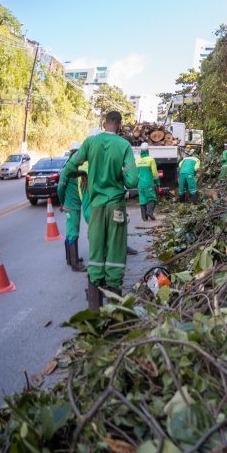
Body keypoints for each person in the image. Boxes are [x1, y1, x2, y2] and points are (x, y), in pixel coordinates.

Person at [61, 111, 138, 311]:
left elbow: (69, 168)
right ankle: (115, 310)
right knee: (115, 251)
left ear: (104, 123)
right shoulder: (124, 146)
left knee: (96, 251)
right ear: (119, 125)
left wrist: (83, 173)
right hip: (115, 207)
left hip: (95, 207)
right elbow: (132, 181)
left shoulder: (89, 143)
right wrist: (118, 177)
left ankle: (94, 309)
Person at [57, 141, 87, 272]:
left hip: (76, 205)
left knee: (73, 232)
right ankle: (74, 264)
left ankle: (70, 259)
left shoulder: (77, 169)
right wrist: (62, 203)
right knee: (73, 233)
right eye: (75, 152)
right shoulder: (67, 169)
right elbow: (60, 189)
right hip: (71, 206)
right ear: (72, 153)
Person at [135, 142, 159, 220]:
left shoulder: (137, 160)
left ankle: (144, 218)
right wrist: (157, 182)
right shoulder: (151, 159)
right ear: (148, 150)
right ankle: (149, 212)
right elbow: (155, 173)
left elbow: (135, 172)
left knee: (142, 200)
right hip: (148, 182)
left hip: (140, 184)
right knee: (152, 198)